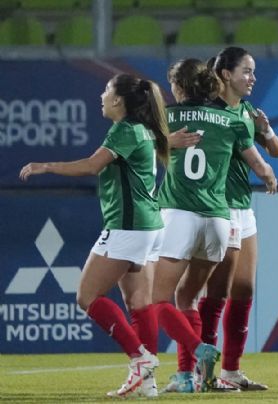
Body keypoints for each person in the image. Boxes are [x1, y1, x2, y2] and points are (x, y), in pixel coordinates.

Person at [19, 74, 168, 397]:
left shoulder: (125, 129)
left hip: (128, 226)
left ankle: (140, 359)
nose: (102, 96)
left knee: (87, 296)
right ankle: (149, 382)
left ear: (118, 100)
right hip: (148, 225)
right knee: (139, 303)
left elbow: (91, 166)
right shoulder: (142, 130)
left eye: (106, 90)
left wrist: (45, 166)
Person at [150, 57, 273, 393]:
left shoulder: (165, 118)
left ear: (177, 86)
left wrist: (162, 141)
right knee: (189, 297)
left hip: (178, 214)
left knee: (159, 299)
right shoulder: (230, 119)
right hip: (220, 219)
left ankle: (198, 350)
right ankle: (188, 378)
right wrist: (268, 176)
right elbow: (260, 164)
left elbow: (131, 147)